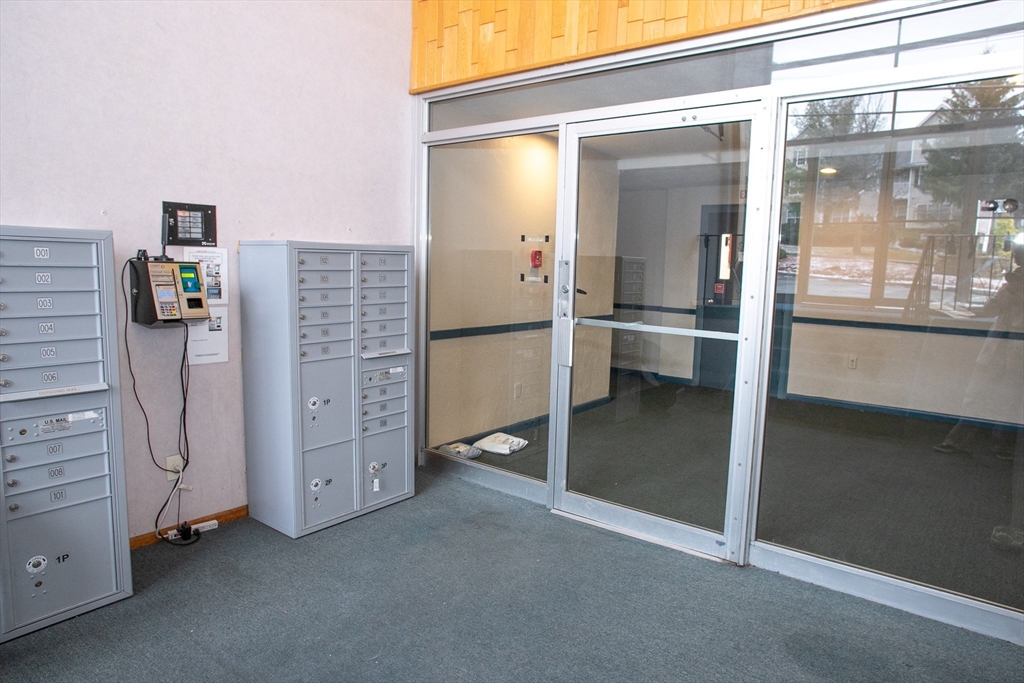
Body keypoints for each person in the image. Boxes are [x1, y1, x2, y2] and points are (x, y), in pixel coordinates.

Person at [933, 237, 1023, 457]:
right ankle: (1002, 446)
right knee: (1009, 398)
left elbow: (991, 308)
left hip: (1002, 350)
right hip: (1011, 352)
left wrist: (1009, 286)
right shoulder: (1014, 283)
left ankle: (958, 441)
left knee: (978, 395)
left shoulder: (1014, 285)